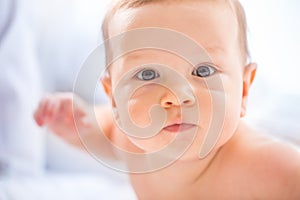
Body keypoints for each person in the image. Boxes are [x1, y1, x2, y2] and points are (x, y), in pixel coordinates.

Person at [34, 0, 300, 199]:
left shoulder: (271, 169)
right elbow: (100, 134)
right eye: (148, 74)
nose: (176, 96)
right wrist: (76, 122)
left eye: (203, 71)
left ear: (243, 91)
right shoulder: (130, 141)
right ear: (114, 99)